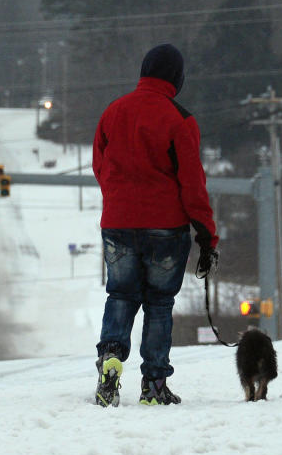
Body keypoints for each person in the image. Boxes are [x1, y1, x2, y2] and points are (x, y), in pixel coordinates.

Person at [92, 43, 218, 407]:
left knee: (121, 294)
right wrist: (207, 236)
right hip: (166, 227)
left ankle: (111, 358)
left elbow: (101, 166)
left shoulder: (112, 112)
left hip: (117, 223)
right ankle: (154, 384)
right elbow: (192, 184)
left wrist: (118, 201)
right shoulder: (180, 119)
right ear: (177, 78)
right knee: (159, 304)